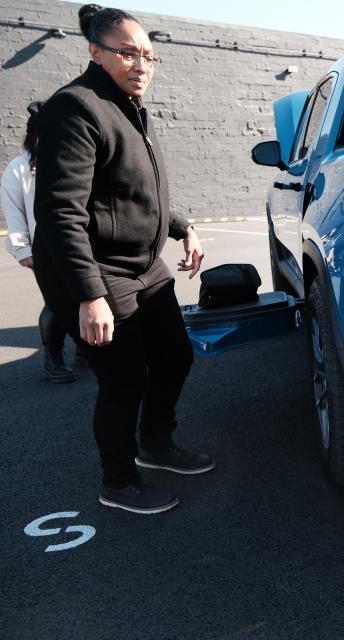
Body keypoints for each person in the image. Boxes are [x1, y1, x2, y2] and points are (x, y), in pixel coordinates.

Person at [32, 4, 214, 514]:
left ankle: (156, 444)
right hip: (97, 269)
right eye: (129, 53)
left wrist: (183, 227)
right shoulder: (77, 107)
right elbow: (59, 212)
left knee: (176, 356)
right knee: (123, 379)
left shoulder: (130, 106)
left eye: (150, 56)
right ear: (96, 51)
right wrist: (89, 295)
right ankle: (117, 481)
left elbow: (136, 190)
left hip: (141, 266)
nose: (142, 65)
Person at [1, 102, 80, 383]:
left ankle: (84, 348)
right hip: (44, 250)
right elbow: (14, 210)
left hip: (81, 246)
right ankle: (53, 357)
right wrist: (22, 249)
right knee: (57, 302)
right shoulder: (19, 168)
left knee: (84, 296)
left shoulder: (70, 161)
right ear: (33, 136)